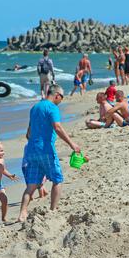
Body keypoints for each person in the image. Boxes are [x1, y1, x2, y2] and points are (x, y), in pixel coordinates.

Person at [18, 84, 80, 222]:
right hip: (46, 149)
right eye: (61, 98)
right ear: (57, 95)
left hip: (32, 150)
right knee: (58, 179)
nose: (61, 101)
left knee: (31, 185)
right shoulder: (52, 108)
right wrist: (72, 144)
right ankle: (53, 210)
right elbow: (57, 127)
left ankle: (22, 213)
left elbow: (28, 132)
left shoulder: (35, 107)